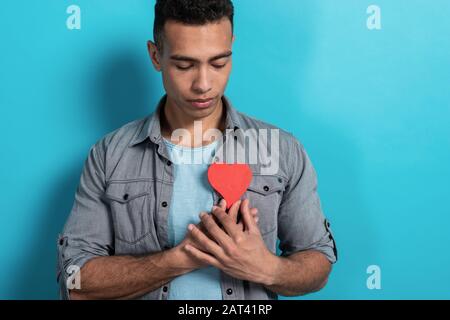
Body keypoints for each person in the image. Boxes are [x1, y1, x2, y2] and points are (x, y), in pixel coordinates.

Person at [57, 0, 337, 300]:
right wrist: (179, 259)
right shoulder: (109, 155)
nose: (203, 84)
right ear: (155, 56)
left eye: (219, 62)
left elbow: (318, 261)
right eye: (184, 65)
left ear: (232, 47)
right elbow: (75, 281)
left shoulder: (281, 149)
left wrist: (266, 268)